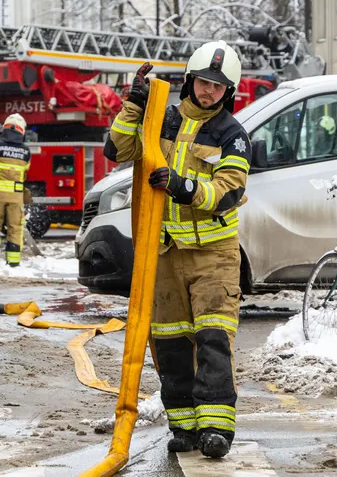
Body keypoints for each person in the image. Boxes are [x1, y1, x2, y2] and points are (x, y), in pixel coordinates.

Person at [105, 42, 252, 459]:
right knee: (169, 344)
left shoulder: (231, 135)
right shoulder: (161, 117)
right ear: (190, 80)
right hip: (166, 252)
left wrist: (182, 186)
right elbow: (117, 150)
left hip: (213, 255)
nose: (209, 92)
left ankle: (217, 429)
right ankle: (184, 427)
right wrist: (134, 104)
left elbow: (228, 192)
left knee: (212, 339)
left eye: (218, 87)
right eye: (205, 82)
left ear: (229, 92)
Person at [0, 114, 31, 266]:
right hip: (16, 197)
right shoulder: (26, 152)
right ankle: (13, 262)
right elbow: (26, 172)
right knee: (15, 228)